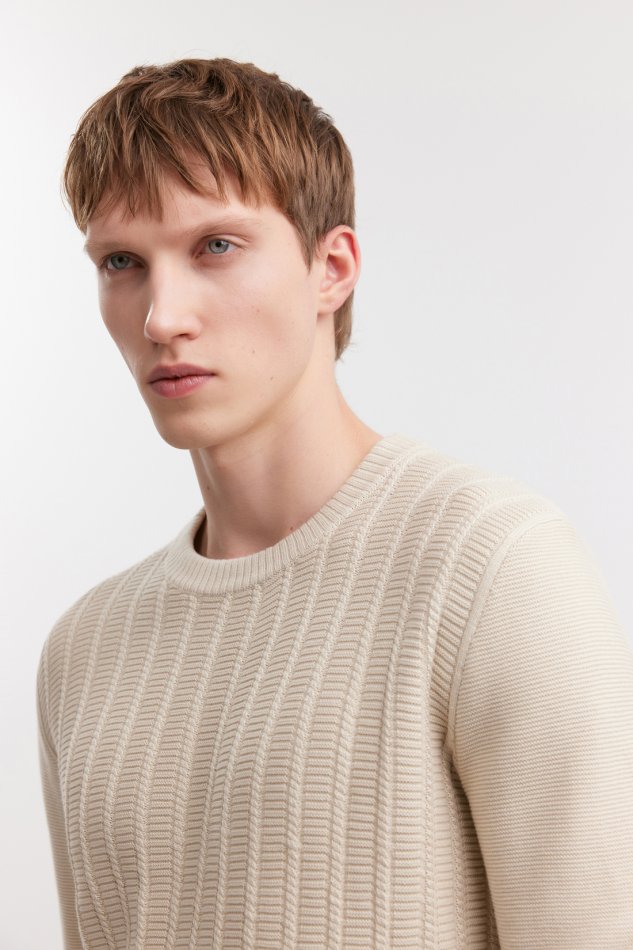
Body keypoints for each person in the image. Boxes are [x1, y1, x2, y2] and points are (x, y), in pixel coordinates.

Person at [36, 57, 633, 950]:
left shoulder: (493, 569)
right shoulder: (84, 650)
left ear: (332, 267)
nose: (161, 317)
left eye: (215, 246)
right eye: (122, 262)